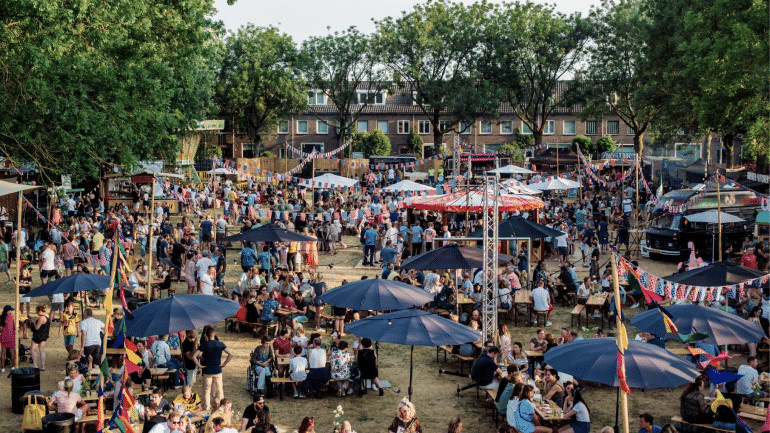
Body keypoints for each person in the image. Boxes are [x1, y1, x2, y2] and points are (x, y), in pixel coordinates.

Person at [194, 327, 233, 410]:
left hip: (207, 371)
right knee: (220, 390)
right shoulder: (220, 344)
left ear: (206, 335)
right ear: (214, 334)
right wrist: (224, 364)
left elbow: (194, 356)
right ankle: (222, 407)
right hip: (217, 370)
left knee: (207, 391)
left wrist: (199, 365)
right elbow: (230, 354)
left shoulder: (204, 344)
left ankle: (207, 407)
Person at [30, 304, 50, 370]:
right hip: (44, 336)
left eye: (36, 311)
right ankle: (43, 366)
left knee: (32, 349)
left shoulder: (41, 318)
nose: (36, 312)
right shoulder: (47, 316)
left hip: (38, 336)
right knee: (42, 350)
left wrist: (34, 322)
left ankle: (35, 365)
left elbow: (36, 328)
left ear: (39, 311)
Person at [0, 305, 15, 371]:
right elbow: (14, 326)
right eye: (10, 310)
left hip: (4, 336)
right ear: (8, 311)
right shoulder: (11, 317)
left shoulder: (1, 317)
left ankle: (2, 367)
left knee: (3, 351)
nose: (11, 311)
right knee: (11, 351)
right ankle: (13, 366)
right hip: (11, 335)